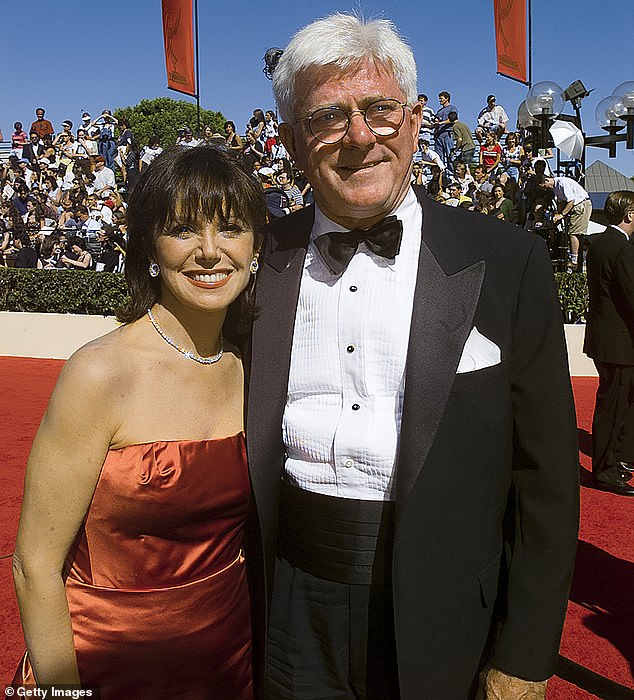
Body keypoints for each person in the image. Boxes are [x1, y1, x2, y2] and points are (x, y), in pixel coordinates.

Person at [247, 13, 579, 700]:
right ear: (291, 141)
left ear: (417, 118)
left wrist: (525, 654)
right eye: (328, 117)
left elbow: (545, 478)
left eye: (379, 109)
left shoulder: (507, 260)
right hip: (287, 608)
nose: (360, 137)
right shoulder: (256, 259)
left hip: (448, 614)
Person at [12, 146, 264, 698]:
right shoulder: (99, 372)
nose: (209, 252)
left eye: (230, 229)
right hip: (101, 667)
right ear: (151, 247)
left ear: (256, 245)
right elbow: (33, 564)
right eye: (182, 230)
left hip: (226, 663)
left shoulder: (256, 365)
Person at [583, 190, 634, 496]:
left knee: (617, 404)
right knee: (614, 407)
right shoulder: (622, 248)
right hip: (620, 343)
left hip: (606, 340)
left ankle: (620, 459)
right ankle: (606, 470)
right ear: (628, 215)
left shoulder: (599, 243)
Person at [539, 175, 591, 270]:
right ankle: (574, 258)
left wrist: (562, 214)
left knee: (573, 233)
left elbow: (571, 200)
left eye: (544, 186)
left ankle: (574, 260)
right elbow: (562, 202)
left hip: (580, 205)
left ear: (546, 180)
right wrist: (556, 214)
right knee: (571, 233)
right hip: (576, 207)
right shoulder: (555, 188)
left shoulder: (562, 183)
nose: (545, 189)